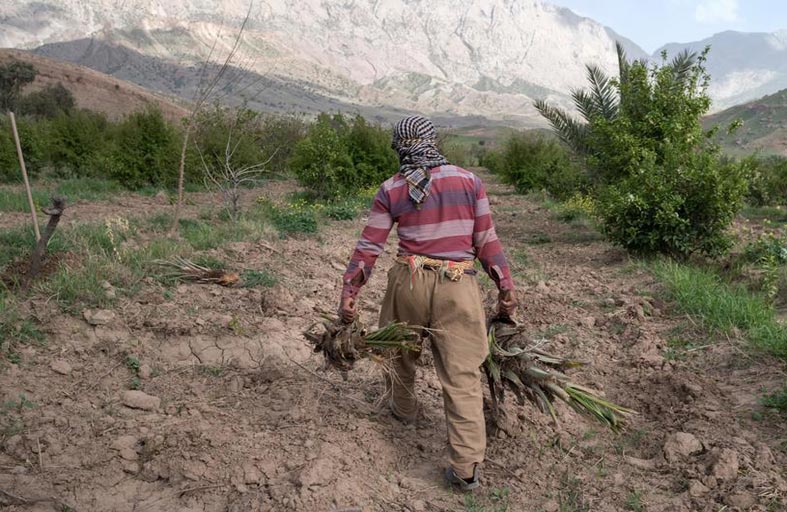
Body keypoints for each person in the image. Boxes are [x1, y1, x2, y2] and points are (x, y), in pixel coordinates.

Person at [337, 115, 517, 491]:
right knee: (462, 374)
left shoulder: (392, 188)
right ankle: (466, 467)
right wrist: (505, 287)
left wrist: (350, 292)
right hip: (458, 283)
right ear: (433, 140)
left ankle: (403, 410)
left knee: (400, 353)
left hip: (409, 280)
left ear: (399, 145)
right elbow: (487, 241)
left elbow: (369, 246)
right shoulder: (470, 182)